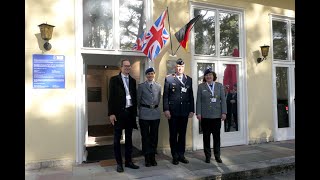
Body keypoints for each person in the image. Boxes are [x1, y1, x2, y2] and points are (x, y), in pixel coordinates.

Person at [108, 58, 139, 173]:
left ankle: (129, 162)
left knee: (129, 139)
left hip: (129, 114)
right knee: (117, 140)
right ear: (120, 67)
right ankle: (119, 163)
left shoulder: (133, 80)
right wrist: (111, 113)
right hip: (118, 114)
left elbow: (134, 98)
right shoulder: (114, 80)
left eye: (129, 66)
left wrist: (135, 114)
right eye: (125, 66)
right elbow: (110, 98)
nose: (127, 67)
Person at [163, 58, 194, 165]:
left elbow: (191, 96)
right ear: (175, 68)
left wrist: (191, 110)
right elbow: (165, 96)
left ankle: (181, 155)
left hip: (184, 112)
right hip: (173, 112)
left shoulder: (188, 79)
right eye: (178, 67)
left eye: (181, 67)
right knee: (173, 134)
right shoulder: (169, 79)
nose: (180, 68)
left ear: (183, 67)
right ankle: (174, 155)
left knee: (182, 134)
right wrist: (166, 109)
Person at [196, 68, 227, 163]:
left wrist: (224, 112)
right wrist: (198, 113)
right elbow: (199, 101)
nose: (208, 76)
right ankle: (207, 156)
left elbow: (223, 100)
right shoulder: (201, 87)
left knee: (216, 137)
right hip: (205, 116)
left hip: (217, 116)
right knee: (206, 137)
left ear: (213, 76)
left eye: (210, 75)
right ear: (205, 77)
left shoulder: (219, 86)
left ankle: (217, 156)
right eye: (206, 75)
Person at [137, 67, 162, 167]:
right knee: (145, 137)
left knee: (154, 137)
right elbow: (138, 100)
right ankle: (147, 158)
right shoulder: (141, 86)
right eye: (148, 74)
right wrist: (140, 111)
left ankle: (153, 157)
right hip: (144, 114)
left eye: (152, 74)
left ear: (154, 74)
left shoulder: (158, 86)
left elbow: (159, 98)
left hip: (155, 114)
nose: (150, 75)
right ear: (146, 75)